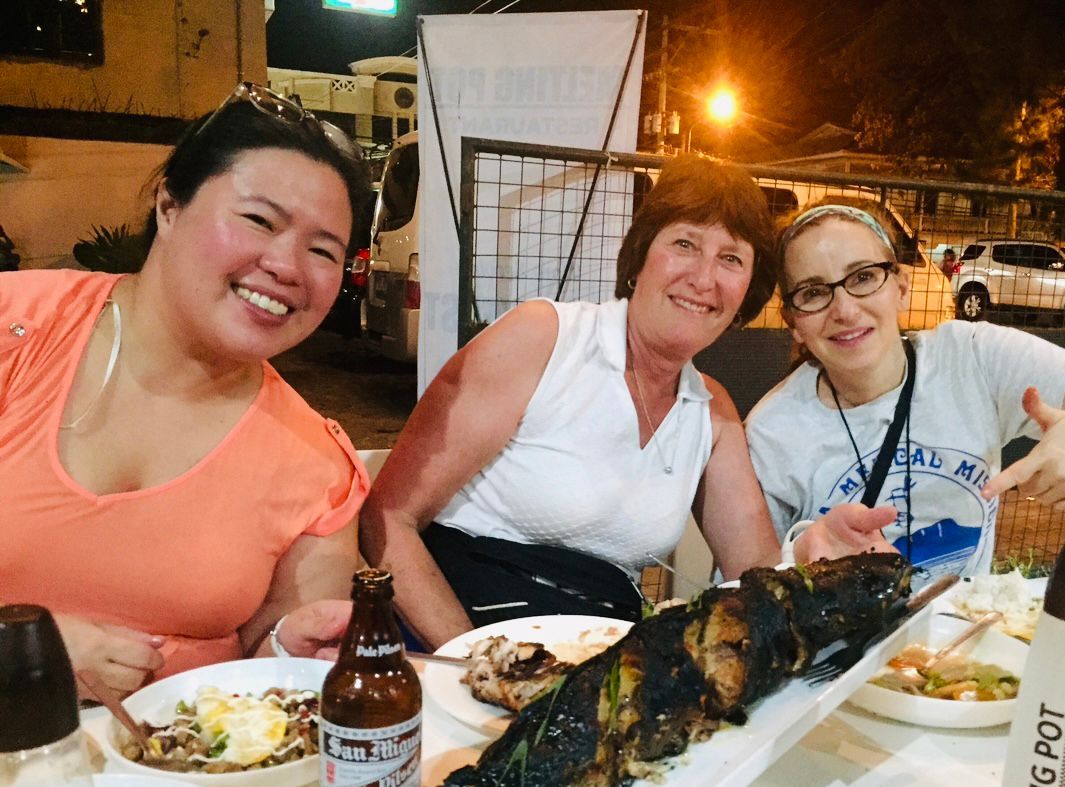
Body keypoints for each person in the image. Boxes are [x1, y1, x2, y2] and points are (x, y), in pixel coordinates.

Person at [0, 83, 374, 699]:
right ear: (169, 206)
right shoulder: (18, 330)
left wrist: (288, 649)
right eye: (259, 220)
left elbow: (273, 669)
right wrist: (25, 650)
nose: (287, 266)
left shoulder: (318, 465)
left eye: (322, 250)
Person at [360, 156, 792, 649]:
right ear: (640, 257)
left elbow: (758, 575)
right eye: (684, 244)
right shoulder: (543, 339)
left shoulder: (711, 411)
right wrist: (474, 661)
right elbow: (387, 518)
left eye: (731, 259)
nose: (704, 278)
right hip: (454, 634)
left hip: (593, 657)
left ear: (747, 292)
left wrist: (821, 557)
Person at [746, 203, 1065, 577]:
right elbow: (746, 586)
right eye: (813, 292)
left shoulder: (973, 357)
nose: (844, 309)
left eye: (863, 277)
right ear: (794, 323)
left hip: (964, 639)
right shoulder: (773, 432)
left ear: (901, 288)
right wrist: (799, 558)